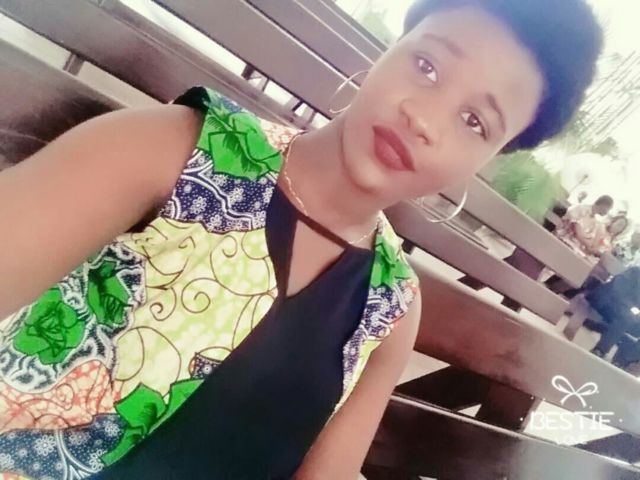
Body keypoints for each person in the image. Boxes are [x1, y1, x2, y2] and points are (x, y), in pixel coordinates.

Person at [0, 0, 603, 478]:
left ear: (489, 158)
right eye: (427, 66)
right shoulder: (175, 150)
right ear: (389, 51)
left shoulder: (390, 309)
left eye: (475, 122)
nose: (424, 118)